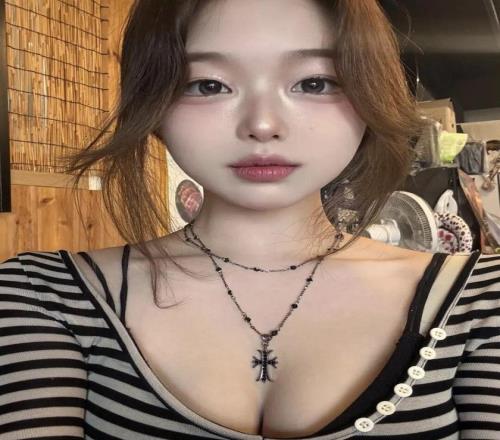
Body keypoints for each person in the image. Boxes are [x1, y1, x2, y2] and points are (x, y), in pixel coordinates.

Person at [1, 0, 499, 439]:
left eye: (314, 82)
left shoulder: (481, 299)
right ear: (152, 104)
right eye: (208, 85)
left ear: (371, 97)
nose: (262, 124)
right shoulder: (40, 295)